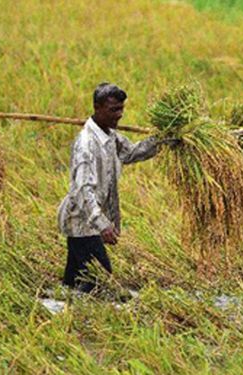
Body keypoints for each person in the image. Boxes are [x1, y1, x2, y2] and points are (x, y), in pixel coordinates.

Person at [57, 82, 176, 293]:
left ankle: (61, 312)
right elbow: (83, 190)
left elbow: (131, 153)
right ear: (97, 107)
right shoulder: (87, 144)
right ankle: (81, 316)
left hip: (86, 221)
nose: (119, 115)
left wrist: (165, 139)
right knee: (101, 278)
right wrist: (103, 225)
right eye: (113, 110)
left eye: (121, 109)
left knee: (73, 282)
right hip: (82, 221)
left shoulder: (110, 135)